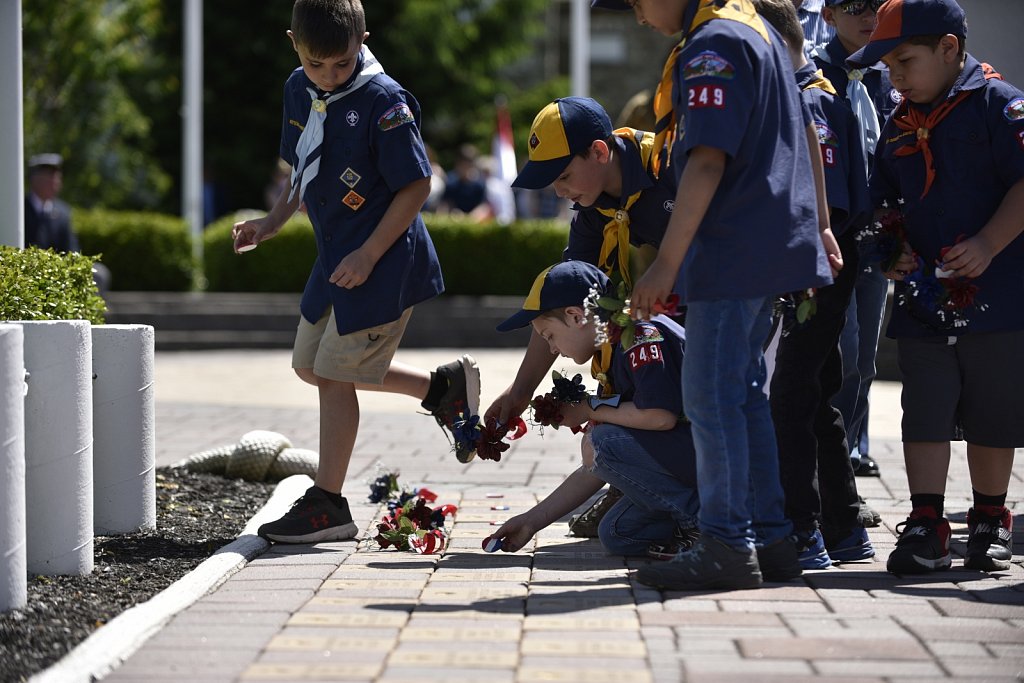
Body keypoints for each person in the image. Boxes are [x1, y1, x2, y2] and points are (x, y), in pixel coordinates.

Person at [595, 0, 836, 591]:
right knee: (744, 396)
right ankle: (771, 537)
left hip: (734, 250)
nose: (638, 16)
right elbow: (804, 134)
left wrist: (666, 266)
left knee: (709, 399)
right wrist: (819, 225)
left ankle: (729, 542)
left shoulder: (714, 42)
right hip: (766, 244)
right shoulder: (753, 29)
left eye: (635, 2)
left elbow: (706, 159)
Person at [232, 0, 480, 543]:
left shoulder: (383, 99)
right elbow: (302, 163)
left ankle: (329, 505)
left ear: (363, 39)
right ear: (293, 42)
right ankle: (442, 390)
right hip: (335, 259)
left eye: (341, 64)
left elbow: (416, 185)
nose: (328, 75)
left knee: (336, 375)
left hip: (383, 260)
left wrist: (369, 254)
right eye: (316, 64)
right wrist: (273, 221)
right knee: (311, 366)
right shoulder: (299, 88)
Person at [847, 0, 1024, 574]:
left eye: (905, 60)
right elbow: (884, 201)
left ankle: (990, 518)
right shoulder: (898, 122)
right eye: (887, 65)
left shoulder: (999, 105)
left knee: (991, 411)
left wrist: (990, 243)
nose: (894, 76)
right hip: (924, 296)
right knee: (923, 409)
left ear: (949, 50)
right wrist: (890, 250)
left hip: (998, 293)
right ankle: (927, 521)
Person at [483, 96, 677, 539]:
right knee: (609, 411)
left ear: (600, 152)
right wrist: (519, 393)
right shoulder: (593, 211)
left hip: (729, 299)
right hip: (672, 312)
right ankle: (638, 484)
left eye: (565, 175)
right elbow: (560, 304)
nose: (560, 191)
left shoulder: (669, 167)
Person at [753, 0, 874, 570]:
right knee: (817, 399)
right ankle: (845, 528)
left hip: (818, 270)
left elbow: (826, 204)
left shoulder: (811, 99)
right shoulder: (808, 92)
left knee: (790, 399)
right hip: (814, 267)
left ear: (772, 44)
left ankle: (803, 531)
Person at [490, 261, 703, 561]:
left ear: (576, 316)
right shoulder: (611, 347)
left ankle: (705, 526)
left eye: (549, 336)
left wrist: (591, 409)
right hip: (690, 461)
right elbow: (595, 468)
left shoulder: (641, 334)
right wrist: (531, 522)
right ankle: (687, 525)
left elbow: (660, 416)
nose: (552, 350)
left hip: (717, 462)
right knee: (617, 533)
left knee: (603, 441)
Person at [813, 0, 900, 480]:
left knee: (865, 356)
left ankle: (850, 450)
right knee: (840, 352)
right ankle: (831, 459)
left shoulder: (889, 76)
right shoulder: (814, 77)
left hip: (876, 237)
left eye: (876, 5)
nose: (868, 16)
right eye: (854, 6)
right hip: (833, 236)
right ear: (827, 14)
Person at [24, 153, 112, 296]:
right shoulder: (19, 209)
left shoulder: (63, 212)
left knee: (99, 274)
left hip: (59, 270)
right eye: (49, 176)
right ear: (34, 179)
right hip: (29, 269)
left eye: (57, 177)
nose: (55, 181)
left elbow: (72, 250)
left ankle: (89, 318)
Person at [439, 144, 487, 215]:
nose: (464, 168)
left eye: (467, 165)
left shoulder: (480, 184)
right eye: (462, 164)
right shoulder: (451, 181)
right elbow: (445, 204)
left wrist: (471, 217)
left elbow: (483, 207)